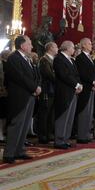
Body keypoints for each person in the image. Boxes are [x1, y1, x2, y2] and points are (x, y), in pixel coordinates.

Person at [2, 36, 41, 164]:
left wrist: (37, 86)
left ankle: (19, 151)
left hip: (29, 95)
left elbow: (34, 76)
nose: (32, 46)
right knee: (16, 125)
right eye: (29, 44)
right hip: (19, 97)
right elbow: (20, 77)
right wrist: (35, 87)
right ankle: (9, 153)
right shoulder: (14, 58)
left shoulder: (27, 59)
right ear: (22, 46)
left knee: (24, 125)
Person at [54, 41, 83, 149]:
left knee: (70, 117)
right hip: (64, 92)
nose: (74, 50)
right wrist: (76, 85)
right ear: (66, 48)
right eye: (72, 47)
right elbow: (64, 75)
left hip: (73, 91)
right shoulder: (59, 59)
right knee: (63, 116)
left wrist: (79, 84)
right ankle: (59, 140)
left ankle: (65, 139)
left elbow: (76, 74)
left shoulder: (71, 60)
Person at [75, 38, 95, 144]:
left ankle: (87, 134)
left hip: (91, 87)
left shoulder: (90, 58)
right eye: (89, 44)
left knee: (89, 113)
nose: (91, 45)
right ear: (83, 45)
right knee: (83, 112)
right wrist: (92, 82)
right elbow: (83, 73)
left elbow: (93, 72)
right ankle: (81, 135)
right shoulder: (80, 58)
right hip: (85, 88)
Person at [38, 42, 59, 144]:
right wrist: (60, 79)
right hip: (47, 90)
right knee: (45, 113)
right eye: (55, 47)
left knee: (52, 114)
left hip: (54, 90)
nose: (57, 48)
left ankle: (49, 134)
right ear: (50, 48)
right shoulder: (44, 60)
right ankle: (43, 135)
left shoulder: (54, 60)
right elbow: (49, 75)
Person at [0, 50, 11, 143]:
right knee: (2, 114)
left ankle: (4, 133)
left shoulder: (7, 63)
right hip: (2, 92)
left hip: (8, 91)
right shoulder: (2, 64)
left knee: (5, 114)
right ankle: (1, 134)